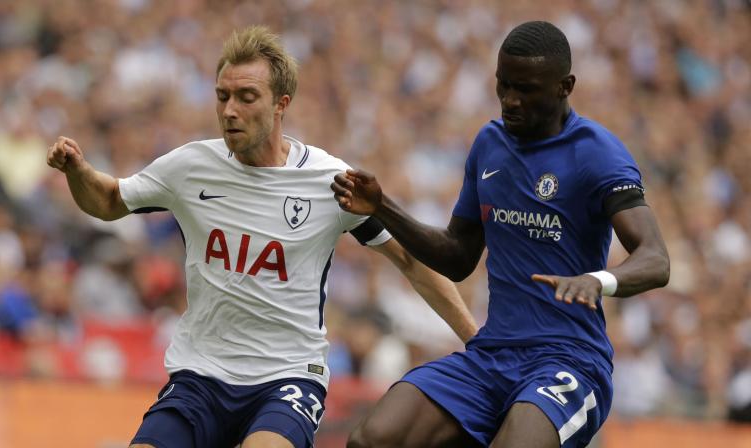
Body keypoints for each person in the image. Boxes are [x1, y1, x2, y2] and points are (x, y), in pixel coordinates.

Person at [46, 26, 477, 448]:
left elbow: (410, 260)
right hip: (200, 376)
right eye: (223, 96)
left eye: (246, 97)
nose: (230, 110)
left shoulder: (330, 181)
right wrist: (79, 172)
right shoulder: (190, 166)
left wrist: (476, 340)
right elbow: (108, 201)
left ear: (280, 104)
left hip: (287, 380)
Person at [333, 21, 670, 448]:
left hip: (568, 362)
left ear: (565, 86)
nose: (510, 101)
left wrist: (597, 281)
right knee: (372, 439)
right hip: (492, 357)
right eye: (503, 85)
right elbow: (458, 257)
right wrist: (384, 208)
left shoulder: (598, 154)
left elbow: (657, 259)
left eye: (526, 90)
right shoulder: (490, 144)